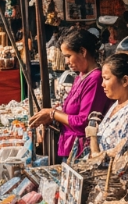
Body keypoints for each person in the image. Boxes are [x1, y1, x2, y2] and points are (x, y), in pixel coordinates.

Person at [28, 27, 113, 161]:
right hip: (71, 148)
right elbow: (71, 111)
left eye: (68, 56)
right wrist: (55, 114)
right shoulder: (81, 76)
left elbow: (84, 122)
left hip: (83, 152)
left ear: (83, 52)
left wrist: (53, 113)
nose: (67, 62)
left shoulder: (95, 79)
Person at [89, 53, 128, 158]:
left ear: (125, 81)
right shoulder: (117, 103)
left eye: (106, 78)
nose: (102, 84)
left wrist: (97, 154)